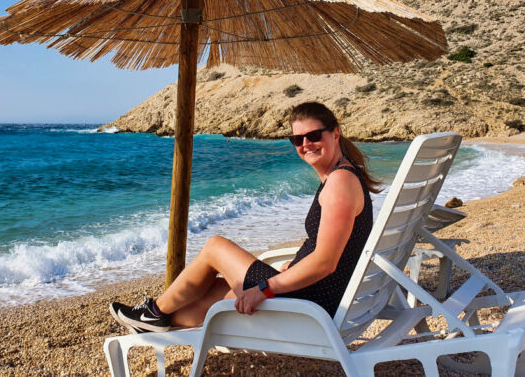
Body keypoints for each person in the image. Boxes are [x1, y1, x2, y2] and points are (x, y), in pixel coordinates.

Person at [109, 101, 382, 333]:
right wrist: (296, 265)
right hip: (318, 293)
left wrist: (264, 288)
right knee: (218, 292)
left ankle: (154, 312)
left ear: (335, 133)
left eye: (313, 135)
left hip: (314, 302)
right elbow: (329, 249)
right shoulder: (344, 175)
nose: (305, 144)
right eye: (297, 139)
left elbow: (325, 262)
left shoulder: (339, 184)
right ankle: (155, 322)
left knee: (215, 246)